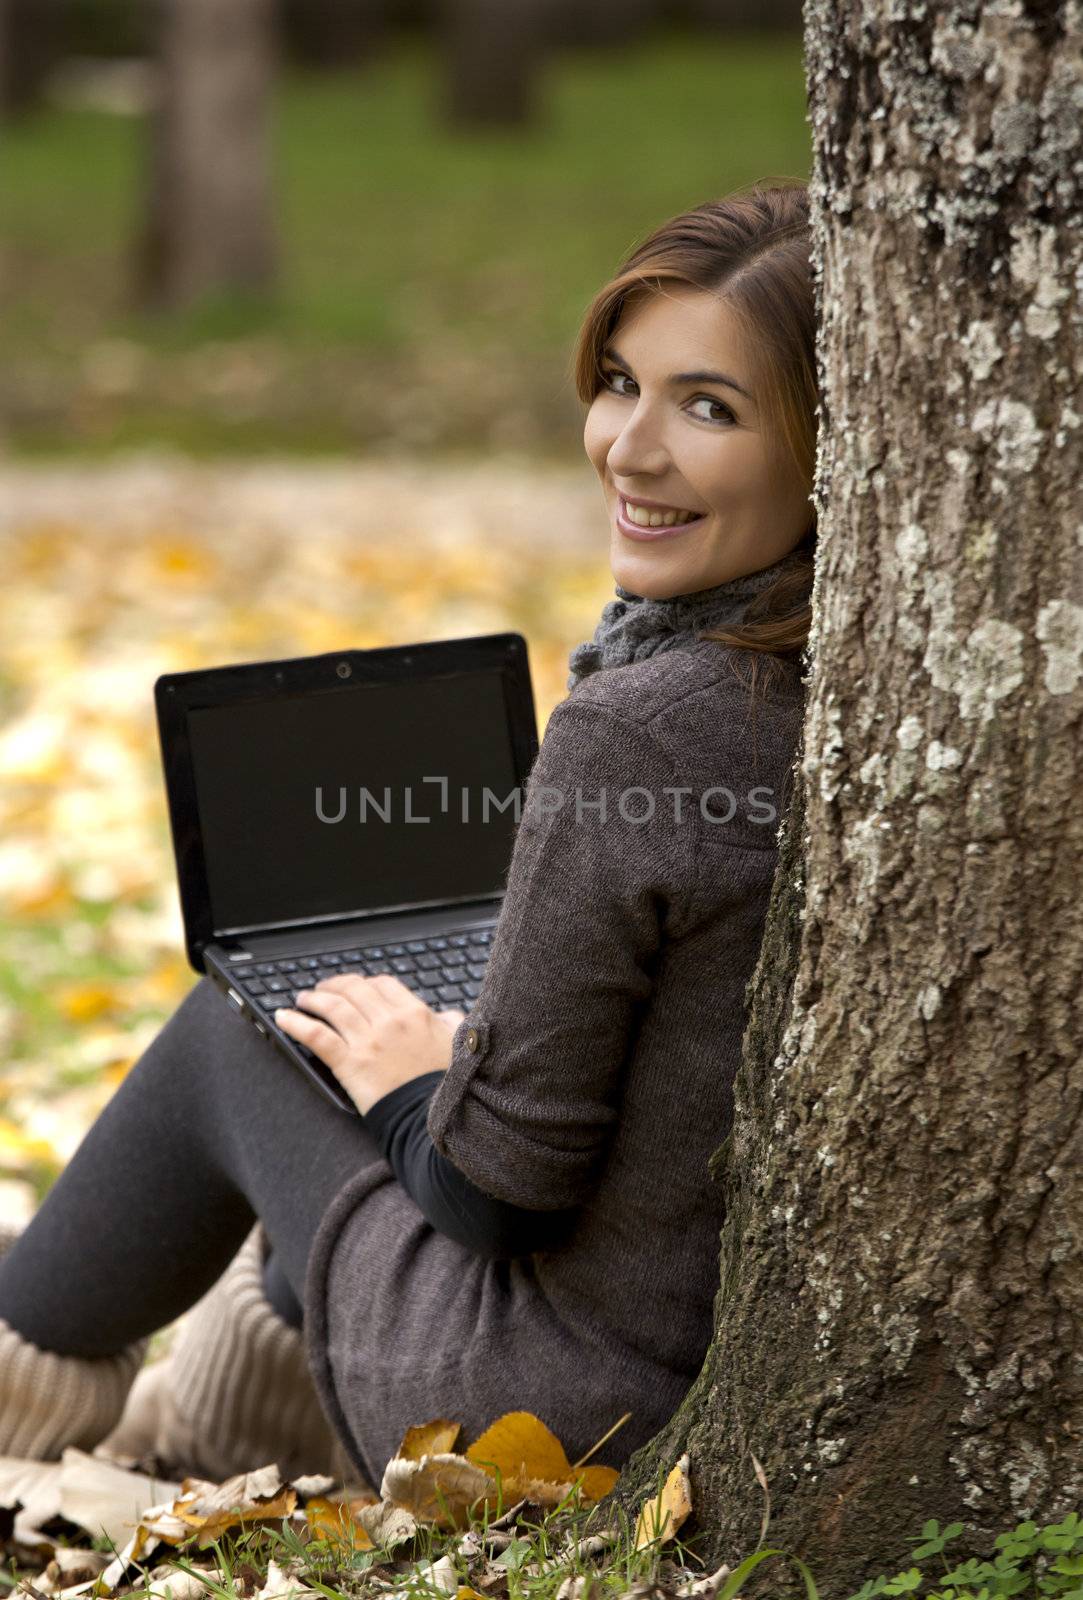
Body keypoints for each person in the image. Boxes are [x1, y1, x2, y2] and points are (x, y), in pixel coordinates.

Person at [0, 179, 819, 1489]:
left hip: (538, 1401)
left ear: (840, 447)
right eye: (620, 382)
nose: (629, 447)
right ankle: (247, 1401)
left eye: (709, 407)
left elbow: (496, 1193)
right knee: (352, 1025)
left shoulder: (643, 727)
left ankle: (20, 1368)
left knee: (252, 1029)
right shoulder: (862, 692)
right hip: (696, 1354)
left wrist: (414, 1084)